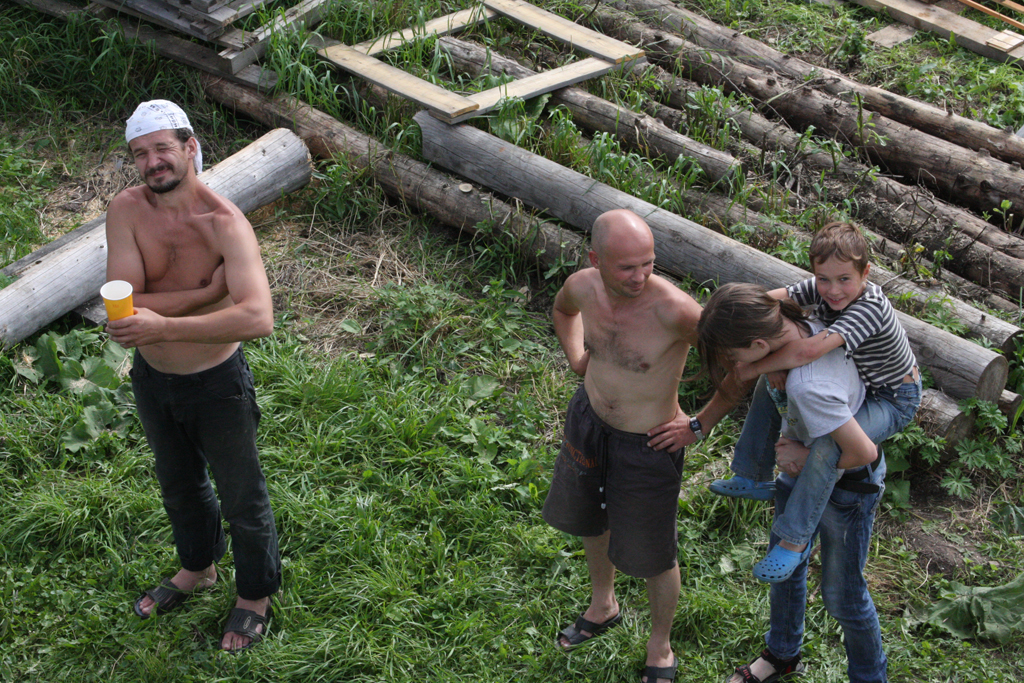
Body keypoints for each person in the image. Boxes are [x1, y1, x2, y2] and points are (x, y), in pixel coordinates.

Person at [105, 100, 280, 651]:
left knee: (241, 496)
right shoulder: (127, 210)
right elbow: (124, 305)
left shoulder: (225, 223)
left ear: (190, 147)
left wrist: (162, 324)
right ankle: (199, 567)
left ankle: (255, 594)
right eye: (140, 153)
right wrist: (206, 293)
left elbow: (259, 317)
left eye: (162, 148)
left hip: (216, 381)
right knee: (179, 485)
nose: (152, 162)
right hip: (153, 378)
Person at [690, 283, 889, 683]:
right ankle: (781, 653)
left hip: (847, 486)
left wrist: (806, 458)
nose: (735, 368)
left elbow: (862, 452)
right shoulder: (796, 330)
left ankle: (870, 677)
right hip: (798, 470)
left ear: (759, 344)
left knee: (844, 596)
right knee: (787, 571)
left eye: (734, 358)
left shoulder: (809, 383)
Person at [542, 209, 703, 683]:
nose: (640, 276)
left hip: (648, 443)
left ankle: (660, 646)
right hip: (590, 421)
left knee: (655, 552)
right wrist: (577, 359)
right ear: (596, 260)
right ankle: (603, 604)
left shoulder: (676, 310)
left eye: (648, 263)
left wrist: (699, 424)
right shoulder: (582, 286)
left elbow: (737, 363)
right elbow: (563, 310)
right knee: (591, 518)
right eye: (627, 267)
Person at [709, 222, 920, 583]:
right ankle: (751, 473)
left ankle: (794, 539)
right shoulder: (821, 287)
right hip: (862, 381)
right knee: (770, 384)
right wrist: (725, 321)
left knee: (829, 445)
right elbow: (765, 304)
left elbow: (808, 351)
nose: (833, 290)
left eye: (844, 279)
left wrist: (754, 366)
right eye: (824, 279)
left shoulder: (869, 307)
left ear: (865, 273)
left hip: (892, 397)